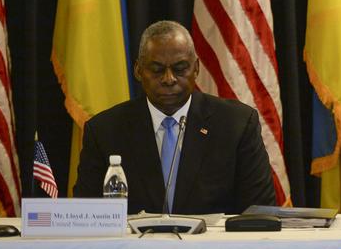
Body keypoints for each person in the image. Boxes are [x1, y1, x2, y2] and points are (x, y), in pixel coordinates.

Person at [73, 20, 275, 214]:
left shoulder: (236, 124)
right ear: (138, 70)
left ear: (196, 68)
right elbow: (87, 214)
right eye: (156, 69)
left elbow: (259, 211)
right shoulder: (104, 131)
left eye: (180, 69)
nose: (169, 79)